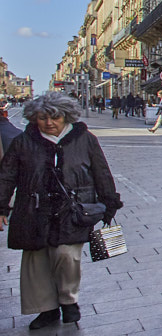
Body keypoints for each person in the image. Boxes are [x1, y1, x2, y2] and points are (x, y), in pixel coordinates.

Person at [0, 92, 121, 329]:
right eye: (42, 118)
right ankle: (47, 309)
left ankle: (68, 300)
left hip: (73, 210)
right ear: (34, 118)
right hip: (33, 210)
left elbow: (101, 171)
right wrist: (1, 206)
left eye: (55, 117)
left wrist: (109, 202)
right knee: (37, 262)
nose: (49, 123)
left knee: (67, 255)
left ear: (66, 117)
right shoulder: (23, 141)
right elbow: (6, 176)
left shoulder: (85, 139)